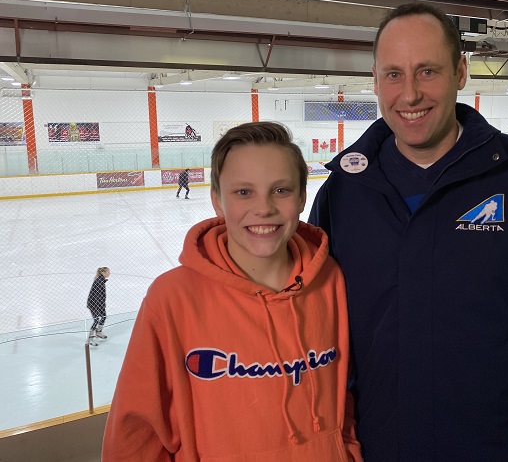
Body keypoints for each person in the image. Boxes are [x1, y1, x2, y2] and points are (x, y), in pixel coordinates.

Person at [310, 3, 508, 461]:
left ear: (460, 71)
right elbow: (315, 343)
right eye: (393, 74)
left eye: (427, 71)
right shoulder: (343, 194)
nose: (410, 94)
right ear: (374, 80)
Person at [104, 122, 361, 461]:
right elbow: (136, 433)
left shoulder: (330, 279)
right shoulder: (172, 298)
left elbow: (342, 396)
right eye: (243, 192)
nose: (264, 208)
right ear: (217, 201)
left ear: (302, 197)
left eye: (281, 190)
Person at [87, 267, 110, 346]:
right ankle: (90, 338)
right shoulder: (99, 282)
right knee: (96, 319)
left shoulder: (101, 281)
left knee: (103, 317)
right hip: (93, 304)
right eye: (108, 272)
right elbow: (98, 296)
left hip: (99, 304)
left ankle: (99, 332)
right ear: (103, 273)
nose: (109, 273)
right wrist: (101, 306)